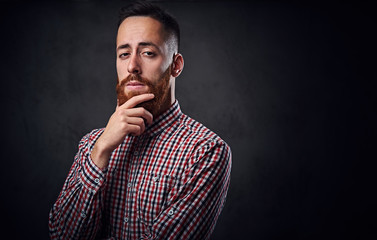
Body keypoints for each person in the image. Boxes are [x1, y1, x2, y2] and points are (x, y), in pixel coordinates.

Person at [49, 2, 231, 239]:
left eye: (147, 53)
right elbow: (61, 235)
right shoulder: (92, 144)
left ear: (175, 65)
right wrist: (101, 151)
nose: (132, 66)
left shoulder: (206, 152)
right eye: (124, 54)